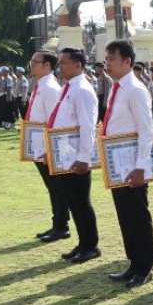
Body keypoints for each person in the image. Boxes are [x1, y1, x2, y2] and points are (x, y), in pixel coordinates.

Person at [102, 39, 153, 288]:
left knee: (137, 216)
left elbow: (146, 132)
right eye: (107, 59)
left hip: (132, 165)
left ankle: (144, 267)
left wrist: (141, 167)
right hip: (117, 164)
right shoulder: (117, 88)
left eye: (112, 59)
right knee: (125, 215)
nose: (107, 63)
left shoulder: (135, 89)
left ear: (127, 61)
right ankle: (133, 263)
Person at [50, 48, 101, 263]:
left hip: (77, 158)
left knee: (81, 203)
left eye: (64, 63)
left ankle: (91, 246)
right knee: (73, 202)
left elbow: (87, 127)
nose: (60, 66)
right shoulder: (69, 87)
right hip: (66, 155)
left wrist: (84, 157)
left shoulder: (82, 89)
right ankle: (82, 243)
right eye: (59, 63)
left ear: (78, 65)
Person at [25, 50, 71, 242]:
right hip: (38, 145)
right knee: (52, 187)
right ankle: (57, 223)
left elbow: (55, 120)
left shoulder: (51, 88)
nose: (32, 64)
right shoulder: (40, 86)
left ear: (47, 66)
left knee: (57, 187)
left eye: (36, 62)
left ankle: (62, 226)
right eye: (32, 61)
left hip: (47, 147)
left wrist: (48, 149)